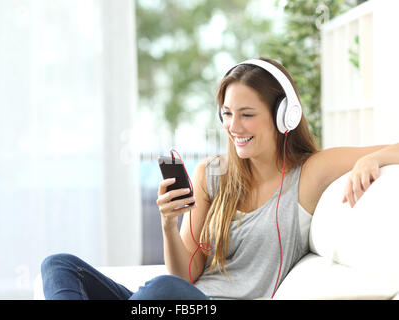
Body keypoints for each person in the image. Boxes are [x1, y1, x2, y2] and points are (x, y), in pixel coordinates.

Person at [40, 57, 399, 300]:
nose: (233, 127)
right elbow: (185, 276)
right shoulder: (211, 175)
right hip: (177, 299)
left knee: (162, 290)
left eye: (246, 114)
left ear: (283, 117)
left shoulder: (308, 173)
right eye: (227, 114)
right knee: (58, 265)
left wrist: (373, 158)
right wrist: (168, 224)